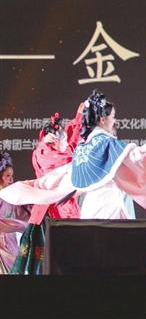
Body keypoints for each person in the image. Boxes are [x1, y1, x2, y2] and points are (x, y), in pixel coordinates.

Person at [0, 90, 146, 223]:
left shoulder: (85, 146)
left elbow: (67, 176)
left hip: (91, 209)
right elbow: (138, 161)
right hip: (110, 208)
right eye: (113, 117)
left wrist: (37, 185)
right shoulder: (107, 144)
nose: (115, 122)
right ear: (103, 119)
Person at [12, 108, 82, 275]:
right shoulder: (45, 152)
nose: (65, 141)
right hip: (50, 211)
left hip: (64, 208)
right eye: (63, 137)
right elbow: (71, 157)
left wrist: (79, 118)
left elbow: (73, 147)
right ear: (54, 138)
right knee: (48, 261)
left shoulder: (57, 151)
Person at [0, 151, 29, 273]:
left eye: (12, 176)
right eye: (7, 176)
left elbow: (24, 218)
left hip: (11, 245)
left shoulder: (12, 197)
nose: (11, 180)